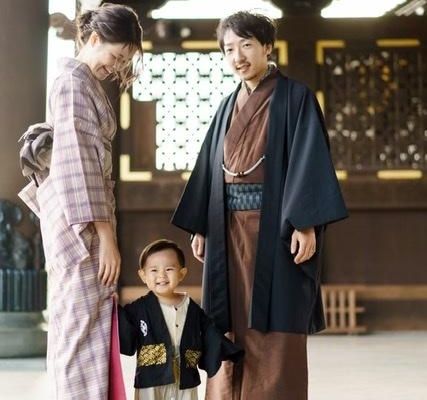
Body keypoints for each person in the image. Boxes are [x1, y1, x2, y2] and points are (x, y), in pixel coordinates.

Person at [171, 11, 348, 400]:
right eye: (229, 49)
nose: (238, 57)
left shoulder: (295, 97)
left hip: (275, 228)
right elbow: (209, 167)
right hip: (225, 230)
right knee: (227, 319)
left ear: (267, 47)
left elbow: (309, 160)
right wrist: (202, 224)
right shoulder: (226, 106)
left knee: (274, 321)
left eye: (247, 45)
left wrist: (305, 223)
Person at [18, 4, 143, 399]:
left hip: (82, 216)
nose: (116, 67)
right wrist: (106, 237)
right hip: (82, 225)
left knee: (85, 324)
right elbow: (80, 165)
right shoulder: (74, 84)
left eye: (123, 61)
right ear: (94, 38)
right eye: (115, 56)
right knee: (79, 327)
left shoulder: (82, 82)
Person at [118, 239, 244, 400]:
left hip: (185, 375)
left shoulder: (191, 307)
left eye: (169, 269)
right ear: (143, 275)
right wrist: (111, 307)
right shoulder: (138, 309)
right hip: (151, 377)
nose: (161, 275)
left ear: (182, 273)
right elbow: (123, 328)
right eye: (154, 270)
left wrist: (228, 349)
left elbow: (209, 331)